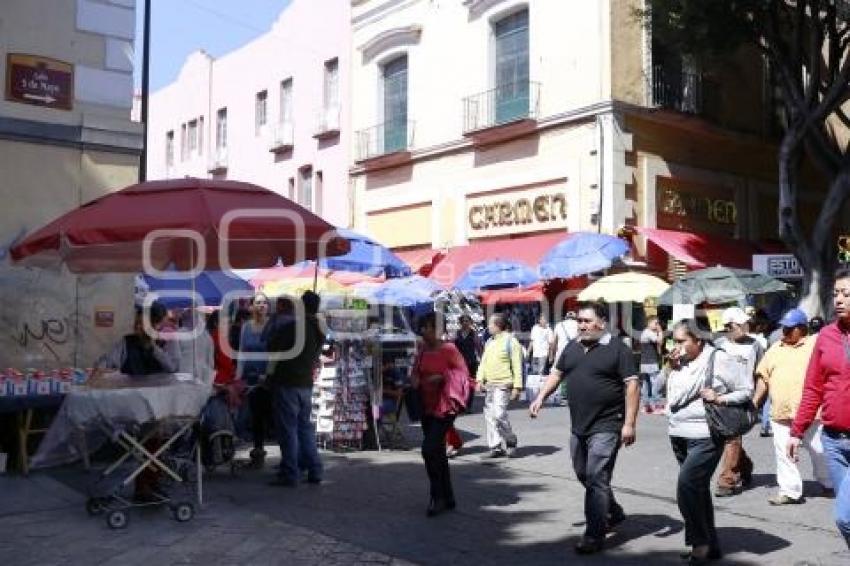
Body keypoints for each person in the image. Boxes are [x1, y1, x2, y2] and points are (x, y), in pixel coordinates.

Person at [530, 301, 640, 555]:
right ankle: (613, 511)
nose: (581, 325)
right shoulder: (572, 346)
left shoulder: (617, 349)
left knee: (595, 478)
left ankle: (594, 535)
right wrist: (540, 398)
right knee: (584, 474)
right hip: (579, 426)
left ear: (601, 322)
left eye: (586, 321)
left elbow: (632, 386)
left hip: (607, 425)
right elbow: (557, 374)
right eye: (579, 321)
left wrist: (629, 424)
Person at [665, 318, 752, 563]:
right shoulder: (678, 361)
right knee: (698, 489)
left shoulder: (718, 358)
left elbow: (746, 389)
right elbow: (668, 394)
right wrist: (670, 367)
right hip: (678, 433)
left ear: (698, 340)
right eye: (675, 340)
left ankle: (699, 542)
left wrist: (720, 398)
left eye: (682, 340)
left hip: (706, 434)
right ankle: (711, 544)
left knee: (687, 486)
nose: (677, 345)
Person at [788, 271, 850, 548]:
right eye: (836, 293)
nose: (839, 299)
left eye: (846, 294)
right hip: (834, 442)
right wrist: (796, 431)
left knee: (845, 518)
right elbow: (813, 387)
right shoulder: (825, 336)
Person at [753, 308, 832, 505]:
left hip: (812, 413)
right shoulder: (775, 348)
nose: (785, 333)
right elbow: (763, 377)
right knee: (783, 452)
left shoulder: (815, 344)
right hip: (781, 413)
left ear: (802, 328)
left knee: (819, 450)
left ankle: (829, 482)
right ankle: (790, 491)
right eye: (784, 329)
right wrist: (755, 402)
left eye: (790, 329)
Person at [411, 312, 470, 516]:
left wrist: (443, 376)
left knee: (428, 449)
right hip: (426, 406)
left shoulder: (449, 349)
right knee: (436, 452)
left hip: (445, 408)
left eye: (426, 327)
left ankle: (437, 497)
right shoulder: (423, 350)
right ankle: (448, 496)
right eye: (422, 327)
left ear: (437, 329)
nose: (423, 331)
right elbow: (415, 371)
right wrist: (415, 379)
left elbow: (463, 375)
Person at [266, 291, 325, 487]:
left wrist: (268, 376)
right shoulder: (319, 330)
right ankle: (315, 469)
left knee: (289, 430)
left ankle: (290, 473)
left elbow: (272, 348)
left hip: (288, 383)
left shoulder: (294, 327)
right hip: (305, 384)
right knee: (304, 429)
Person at [713, 307, 761, 497]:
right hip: (719, 397)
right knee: (725, 438)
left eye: (745, 322)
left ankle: (728, 480)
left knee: (732, 437)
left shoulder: (755, 345)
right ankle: (745, 465)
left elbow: (761, 373)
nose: (745, 325)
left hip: (743, 398)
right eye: (740, 323)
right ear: (729, 326)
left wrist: (757, 400)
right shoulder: (718, 345)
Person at [476, 314, 523, 459]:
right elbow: (483, 362)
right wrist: (479, 380)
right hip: (489, 385)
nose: (488, 327)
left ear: (497, 325)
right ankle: (495, 447)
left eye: (490, 324)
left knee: (499, 415)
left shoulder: (511, 341)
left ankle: (510, 440)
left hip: (503, 385)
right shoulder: (489, 341)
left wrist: (517, 387)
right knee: (490, 417)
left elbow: (517, 365)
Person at [237, 293, 272, 468]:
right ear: (252, 306)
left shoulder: (272, 326)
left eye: (264, 303)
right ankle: (258, 452)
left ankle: (286, 456)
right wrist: (238, 377)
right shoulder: (246, 327)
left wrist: (269, 375)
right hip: (251, 378)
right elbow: (242, 353)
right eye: (258, 303)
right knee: (256, 416)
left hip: (269, 379)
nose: (261, 306)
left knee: (271, 415)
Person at [96, 303, 179, 375]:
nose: (137, 326)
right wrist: (101, 369)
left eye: (141, 323)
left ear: (155, 326)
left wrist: (153, 347)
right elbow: (105, 362)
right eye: (136, 322)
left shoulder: (167, 340)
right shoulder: (127, 341)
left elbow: (173, 368)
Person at [639, 316, 665, 414]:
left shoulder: (646, 332)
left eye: (658, 323)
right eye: (655, 323)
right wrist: (661, 331)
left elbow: (658, 346)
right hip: (650, 362)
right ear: (649, 323)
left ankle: (646, 406)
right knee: (655, 383)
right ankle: (656, 405)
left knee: (646, 384)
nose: (657, 325)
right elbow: (659, 341)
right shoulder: (649, 333)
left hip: (645, 362)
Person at [552, 311, 579, 404]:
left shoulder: (559, 325)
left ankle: (563, 397)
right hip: (575, 352)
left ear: (565, 317)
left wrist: (552, 355)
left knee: (560, 375)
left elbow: (554, 342)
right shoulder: (578, 324)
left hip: (561, 354)